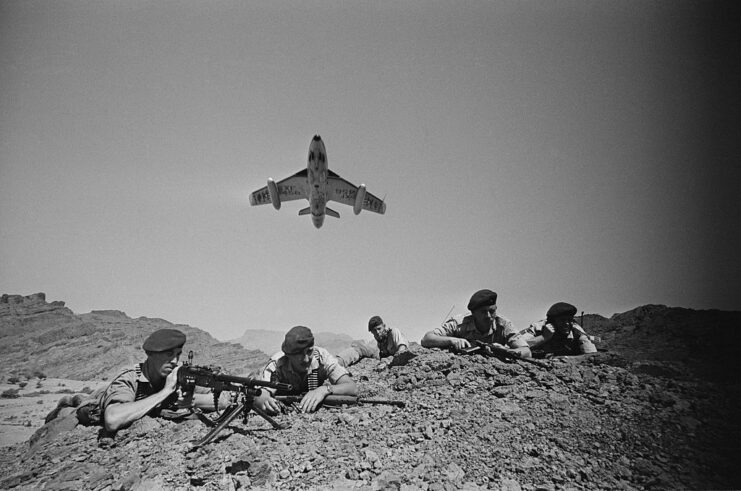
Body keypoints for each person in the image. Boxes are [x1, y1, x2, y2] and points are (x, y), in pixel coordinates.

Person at [253, 325, 357, 414]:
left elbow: (351, 387)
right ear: (288, 355)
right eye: (299, 355)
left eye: (309, 351)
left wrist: (325, 389)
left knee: (342, 360)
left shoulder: (321, 356)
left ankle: (358, 349)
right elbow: (260, 394)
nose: (306, 359)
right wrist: (263, 399)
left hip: (334, 361)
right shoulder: (276, 365)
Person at [421, 289, 529, 356]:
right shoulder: (460, 323)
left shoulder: (503, 324)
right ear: (473, 313)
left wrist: (508, 351)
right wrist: (451, 340)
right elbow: (427, 338)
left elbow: (526, 351)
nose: (488, 316)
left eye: (492, 311)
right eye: (483, 312)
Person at [516, 302, 597, 357]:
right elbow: (516, 345)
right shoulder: (538, 328)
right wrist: (544, 337)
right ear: (552, 321)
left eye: (570, 320)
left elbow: (592, 356)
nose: (567, 324)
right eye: (562, 320)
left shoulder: (577, 331)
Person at [335, 315, 410, 367]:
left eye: (379, 329)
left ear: (384, 326)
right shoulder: (379, 340)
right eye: (374, 331)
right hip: (382, 357)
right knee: (361, 348)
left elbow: (402, 349)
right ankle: (337, 362)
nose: (377, 332)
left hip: (394, 359)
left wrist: (390, 360)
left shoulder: (393, 332)